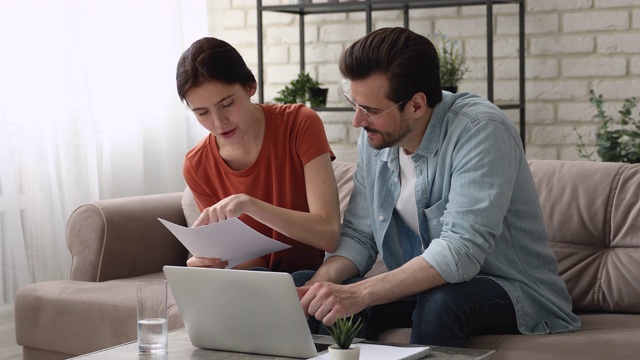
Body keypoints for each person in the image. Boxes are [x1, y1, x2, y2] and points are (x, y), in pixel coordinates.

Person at [298, 27, 581, 347]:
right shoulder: (375, 138)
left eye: (371, 111)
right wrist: (318, 286)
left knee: (441, 303)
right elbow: (360, 236)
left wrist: (360, 293)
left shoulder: (481, 131)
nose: (358, 122)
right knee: (315, 296)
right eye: (355, 104)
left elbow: (459, 251)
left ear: (416, 105)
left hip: (512, 290)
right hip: (423, 288)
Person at [175, 37, 341, 273]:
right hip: (254, 284)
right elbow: (248, 264)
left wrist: (250, 205)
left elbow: (328, 234)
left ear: (250, 86)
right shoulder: (196, 165)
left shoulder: (300, 124)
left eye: (227, 104)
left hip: (311, 283)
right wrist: (212, 263)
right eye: (202, 113)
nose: (219, 122)